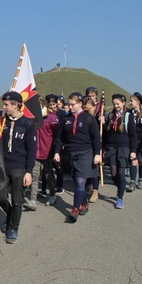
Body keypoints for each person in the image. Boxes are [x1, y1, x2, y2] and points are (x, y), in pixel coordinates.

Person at [54, 92, 101, 222]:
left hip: (85, 153)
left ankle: (75, 209)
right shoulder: (66, 119)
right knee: (76, 180)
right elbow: (60, 138)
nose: (70, 107)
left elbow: (96, 138)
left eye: (72, 104)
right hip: (69, 153)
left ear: (80, 104)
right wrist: (57, 152)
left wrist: (97, 153)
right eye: (68, 104)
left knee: (80, 181)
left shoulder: (88, 118)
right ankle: (84, 203)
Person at [1, 91, 36, 241]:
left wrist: (29, 171)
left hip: (19, 167)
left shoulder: (28, 123)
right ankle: (10, 216)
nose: (4, 107)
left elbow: (31, 150)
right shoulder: (2, 122)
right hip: (3, 166)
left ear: (16, 105)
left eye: (7, 104)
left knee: (17, 200)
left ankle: (13, 228)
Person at [102, 94, 137, 209]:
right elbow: (107, 133)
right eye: (114, 104)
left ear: (123, 103)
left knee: (121, 173)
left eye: (118, 103)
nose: (116, 106)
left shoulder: (128, 116)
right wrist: (104, 123)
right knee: (113, 173)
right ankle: (120, 187)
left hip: (124, 148)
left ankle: (120, 198)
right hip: (112, 147)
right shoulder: (110, 116)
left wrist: (133, 151)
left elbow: (133, 135)